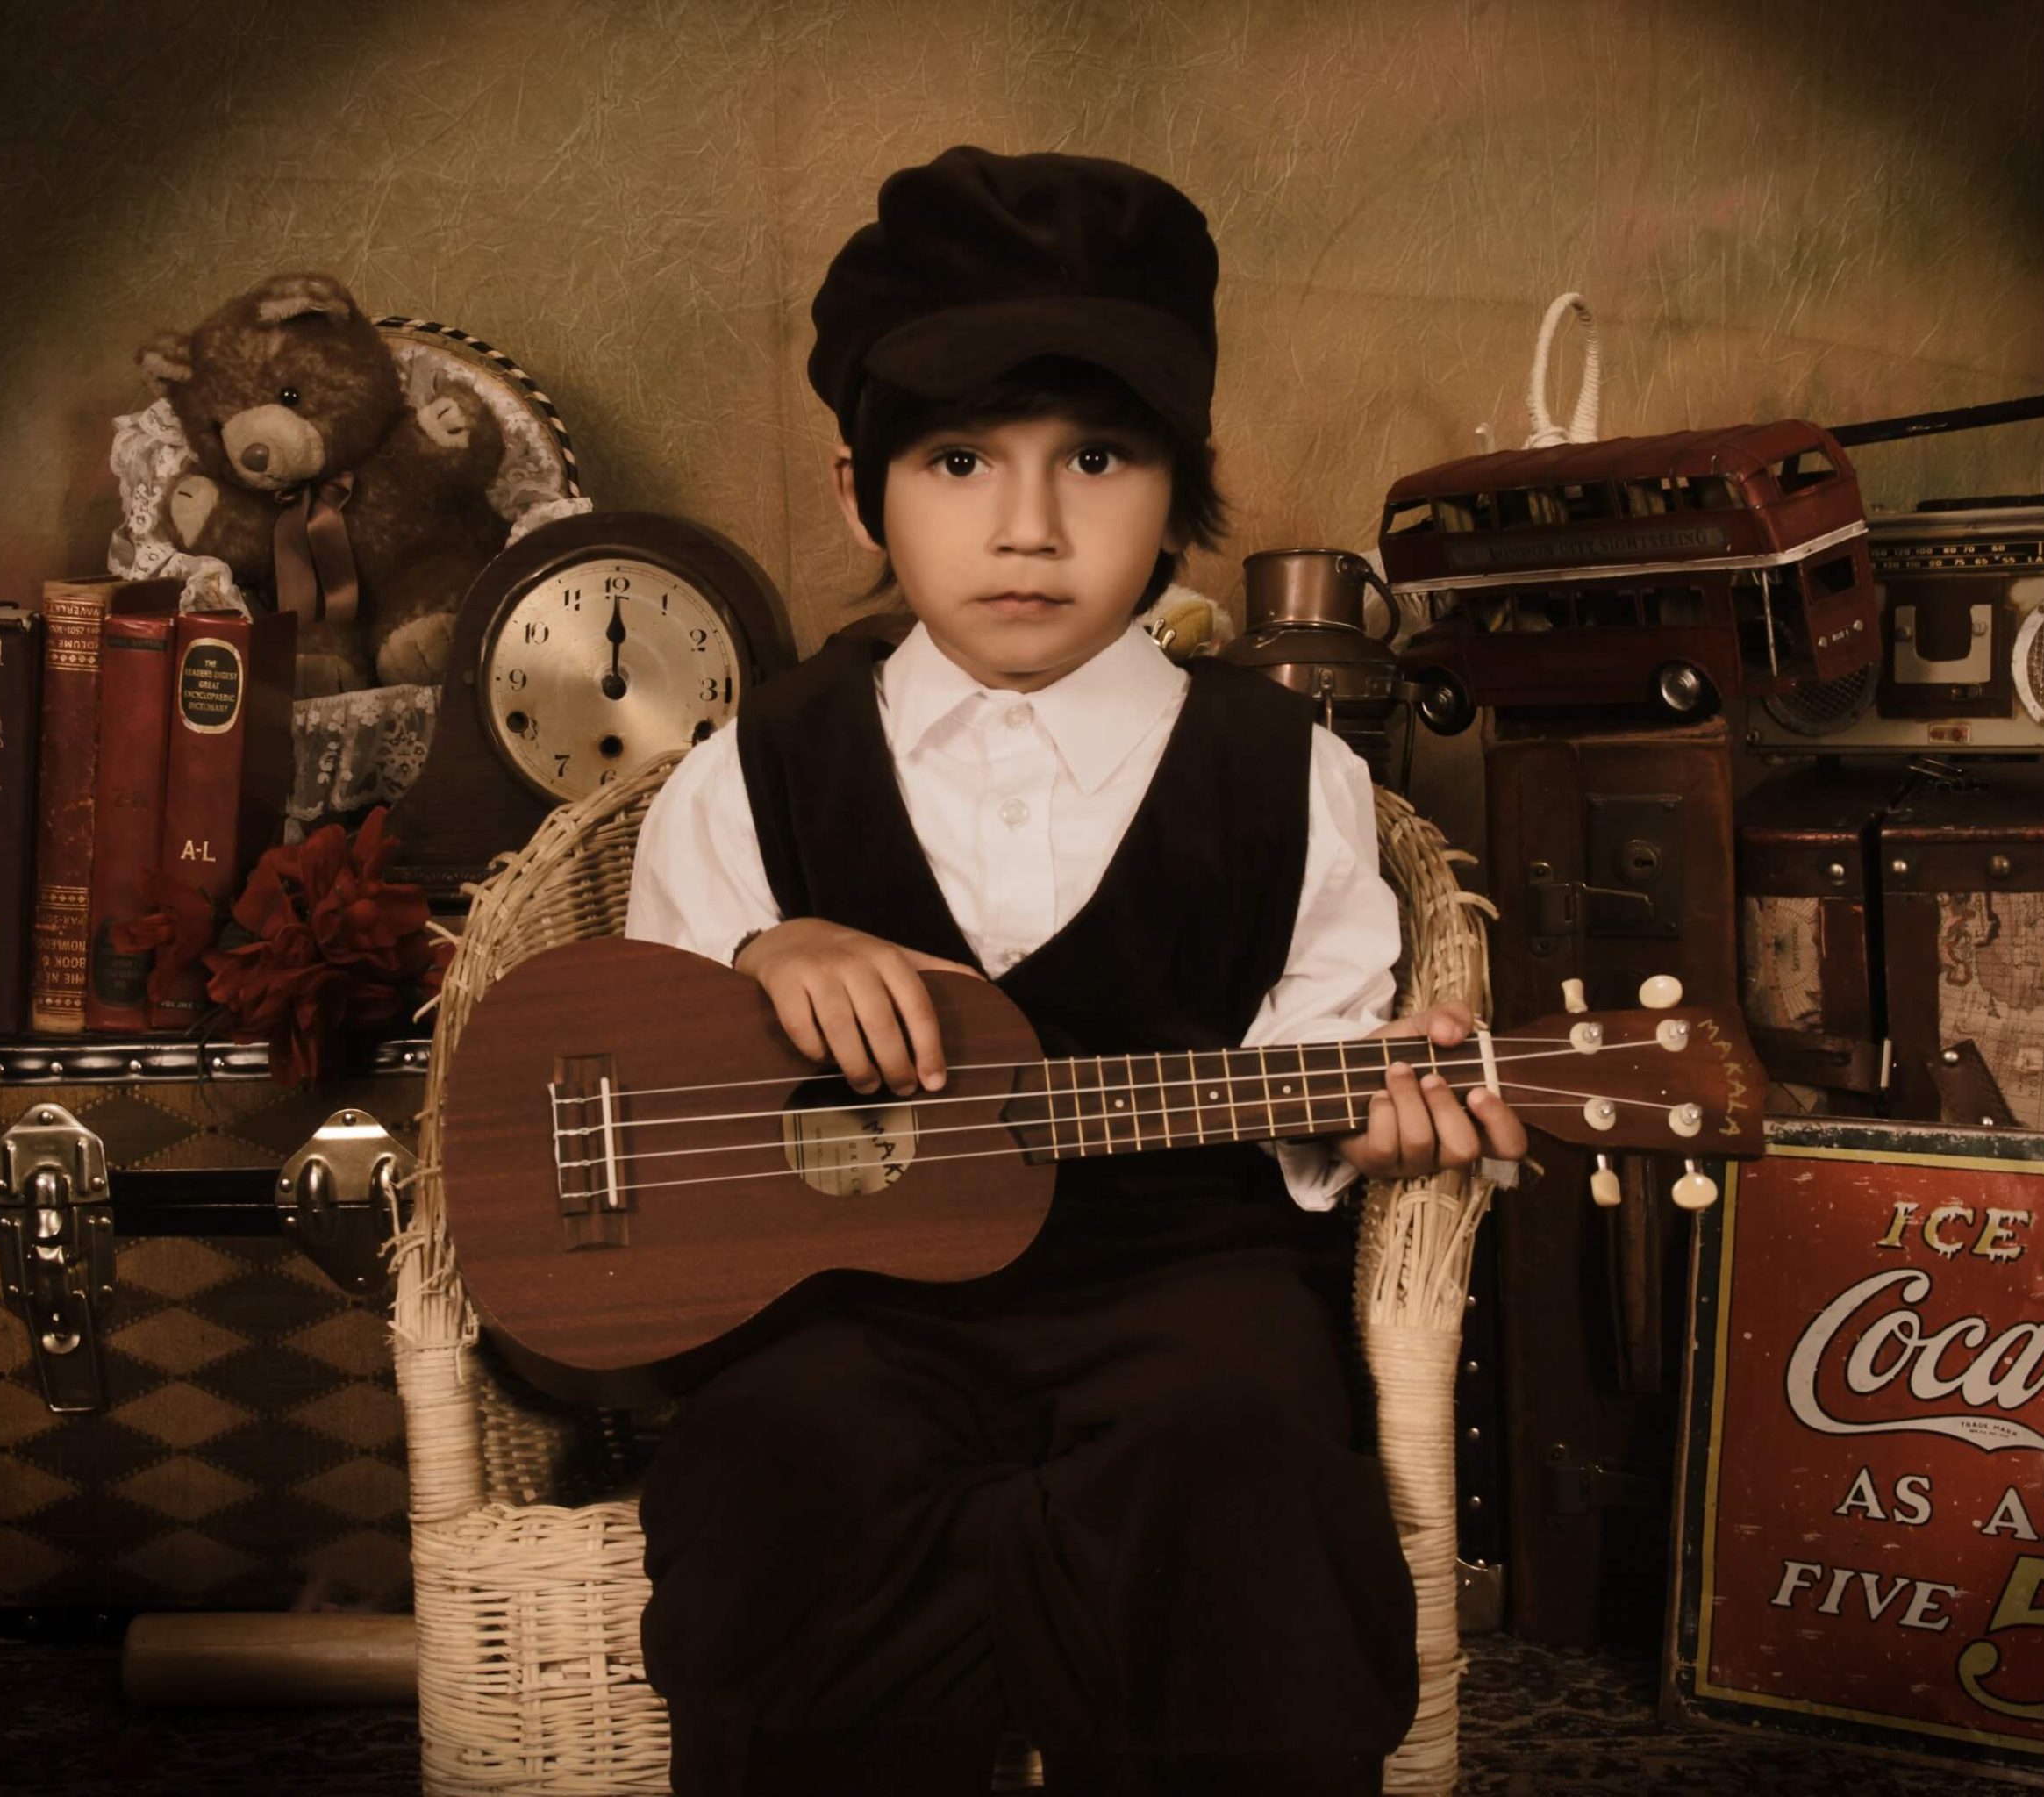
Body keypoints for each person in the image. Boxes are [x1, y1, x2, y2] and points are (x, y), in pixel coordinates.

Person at [624, 144, 1527, 1797]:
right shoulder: (757, 763)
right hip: (851, 1300)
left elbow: (1322, 1056)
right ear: (857, 490)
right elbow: (630, 1049)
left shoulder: (1287, 774)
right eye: (959, 459)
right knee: (785, 1452)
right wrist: (767, 950)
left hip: (1174, 1285)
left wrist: (1379, 1110)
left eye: (1097, 458)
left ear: (1184, 483)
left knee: (1238, 1452)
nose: (1027, 527)